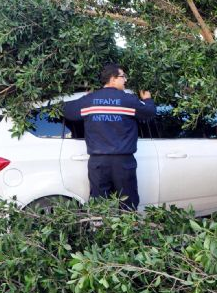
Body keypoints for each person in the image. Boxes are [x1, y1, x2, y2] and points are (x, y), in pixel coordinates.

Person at [64, 64, 156, 210]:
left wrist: (85, 98)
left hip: (98, 163)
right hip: (123, 162)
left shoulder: (90, 100)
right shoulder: (128, 100)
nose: (125, 80)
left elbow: (67, 111)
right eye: (123, 77)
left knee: (99, 205)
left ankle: (100, 230)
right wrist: (148, 99)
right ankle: (127, 231)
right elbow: (149, 113)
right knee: (128, 203)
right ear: (113, 79)